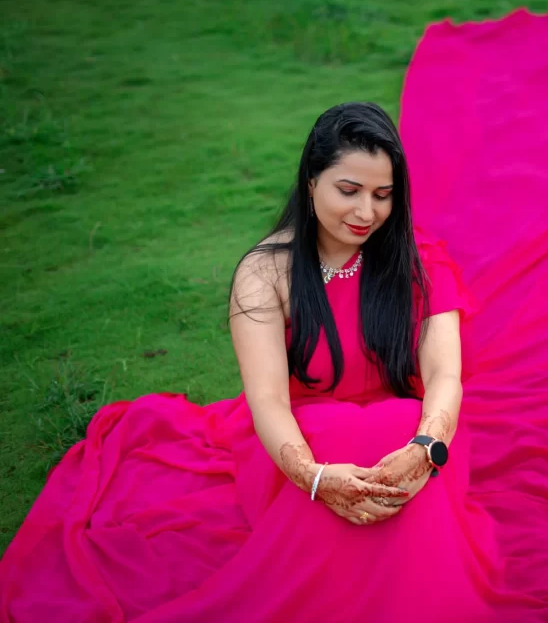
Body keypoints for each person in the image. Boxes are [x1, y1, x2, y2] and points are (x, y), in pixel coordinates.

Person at [0, 102, 497, 622]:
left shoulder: (420, 261)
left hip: (417, 439)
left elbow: (444, 375)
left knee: (396, 424)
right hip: (297, 442)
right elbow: (268, 400)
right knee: (340, 439)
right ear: (310, 183)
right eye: (348, 191)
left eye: (383, 195)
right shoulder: (266, 274)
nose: (366, 213)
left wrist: (427, 446)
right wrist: (314, 477)